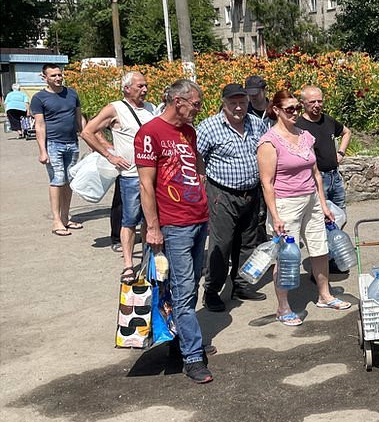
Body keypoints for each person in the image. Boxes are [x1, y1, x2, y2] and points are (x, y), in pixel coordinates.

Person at [134, 79, 213, 384]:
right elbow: (145, 185)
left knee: (191, 285)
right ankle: (192, 357)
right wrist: (153, 228)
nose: (198, 110)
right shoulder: (150, 133)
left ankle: (182, 342)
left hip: (198, 217)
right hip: (174, 224)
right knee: (181, 291)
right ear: (178, 101)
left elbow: (195, 165)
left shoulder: (188, 132)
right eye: (195, 104)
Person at [257, 90, 350, 327]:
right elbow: (267, 183)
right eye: (289, 109)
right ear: (276, 110)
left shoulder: (306, 136)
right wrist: (275, 215)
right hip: (286, 203)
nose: (295, 113)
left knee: (320, 248)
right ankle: (283, 307)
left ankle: (325, 295)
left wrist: (322, 204)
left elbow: (316, 173)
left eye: (297, 108)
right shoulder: (269, 141)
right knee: (286, 257)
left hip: (311, 200)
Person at [196, 83, 267, 312]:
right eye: (233, 103)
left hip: (252, 193)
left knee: (248, 242)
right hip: (222, 194)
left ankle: (241, 284)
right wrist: (202, 181)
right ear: (224, 103)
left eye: (242, 102)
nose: (238, 107)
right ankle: (212, 291)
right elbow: (197, 156)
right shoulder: (209, 127)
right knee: (222, 243)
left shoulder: (256, 123)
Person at [81, 71, 156, 282]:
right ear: (127, 88)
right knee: (130, 220)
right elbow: (88, 131)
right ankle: (128, 265)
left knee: (149, 219)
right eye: (140, 86)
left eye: (145, 85)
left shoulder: (150, 108)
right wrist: (109, 154)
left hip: (152, 174)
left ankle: (148, 262)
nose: (145, 90)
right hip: (131, 175)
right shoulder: (115, 108)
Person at [31, 64, 85, 236]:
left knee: (69, 180)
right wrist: (42, 150)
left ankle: (65, 216)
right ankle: (56, 220)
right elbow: (39, 125)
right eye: (53, 75)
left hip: (72, 143)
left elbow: (79, 118)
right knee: (57, 179)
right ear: (44, 77)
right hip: (53, 144)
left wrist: (89, 139)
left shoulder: (72, 93)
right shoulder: (39, 98)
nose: (58, 78)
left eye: (60, 74)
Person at [295, 85, 351, 211]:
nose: (317, 105)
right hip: (315, 178)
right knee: (322, 216)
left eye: (319, 101)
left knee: (341, 214)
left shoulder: (328, 120)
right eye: (312, 102)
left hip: (335, 177)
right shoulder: (298, 126)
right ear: (303, 103)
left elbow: (346, 132)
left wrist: (341, 152)